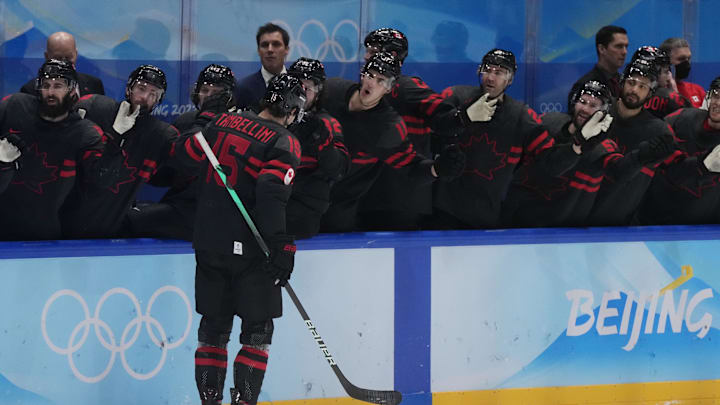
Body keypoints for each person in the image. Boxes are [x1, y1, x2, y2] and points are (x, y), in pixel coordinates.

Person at [173, 74, 304, 405]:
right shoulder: (284, 142)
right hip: (252, 251)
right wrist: (281, 245)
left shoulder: (223, 121)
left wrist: (205, 120)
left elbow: (184, 154)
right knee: (257, 331)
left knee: (214, 329)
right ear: (292, 110)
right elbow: (271, 193)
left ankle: (210, 400)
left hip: (209, 242)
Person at [318, 52, 465, 232]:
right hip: (300, 197)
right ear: (362, 74)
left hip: (337, 210)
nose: (372, 83)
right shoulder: (330, 91)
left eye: (381, 80)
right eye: (370, 75)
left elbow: (412, 167)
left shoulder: (388, 128)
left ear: (390, 88)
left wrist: (437, 168)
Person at [433, 48, 576, 229]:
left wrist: (578, 146)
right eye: (488, 70)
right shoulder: (455, 96)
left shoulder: (522, 116)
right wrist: (461, 118)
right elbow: (433, 127)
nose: (491, 77)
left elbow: (551, 163)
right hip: (443, 210)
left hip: (485, 217)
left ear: (510, 79)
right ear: (479, 71)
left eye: (499, 72)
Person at [356, 27, 471, 231]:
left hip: (400, 198)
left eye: (372, 50)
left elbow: (445, 119)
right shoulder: (365, 90)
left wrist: (463, 117)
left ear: (390, 55)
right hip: (374, 195)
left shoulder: (407, 87)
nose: (366, 56)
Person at [60, 64, 179, 238]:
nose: (145, 97)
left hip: (113, 228)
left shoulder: (162, 136)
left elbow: (171, 177)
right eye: (141, 88)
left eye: (153, 93)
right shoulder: (94, 108)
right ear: (129, 88)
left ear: (159, 100)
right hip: (67, 224)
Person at [0, 59, 109, 240]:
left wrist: (117, 136)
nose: (50, 92)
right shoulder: (14, 106)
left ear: (72, 89)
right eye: (46, 85)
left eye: (58, 86)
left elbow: (103, 181)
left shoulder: (85, 133)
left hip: (45, 234)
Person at [126, 64, 237, 240]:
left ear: (229, 97)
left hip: (217, 213)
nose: (209, 97)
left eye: (216, 93)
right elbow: (168, 173)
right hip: (183, 206)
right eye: (205, 90)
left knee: (133, 220)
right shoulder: (186, 121)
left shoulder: (239, 126)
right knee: (128, 217)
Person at [502, 81, 618, 227]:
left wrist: (645, 154)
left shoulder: (603, 147)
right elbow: (551, 166)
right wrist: (579, 141)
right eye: (582, 101)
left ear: (604, 112)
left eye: (593, 105)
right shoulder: (547, 122)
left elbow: (620, 171)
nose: (585, 109)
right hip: (518, 221)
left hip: (562, 232)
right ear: (573, 102)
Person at [586, 58, 682, 226]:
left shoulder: (659, 132)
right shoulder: (598, 112)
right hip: (577, 216)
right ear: (622, 83)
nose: (634, 90)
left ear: (650, 93)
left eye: (642, 86)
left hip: (621, 224)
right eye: (631, 82)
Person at [637, 76, 720, 225]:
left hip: (707, 231)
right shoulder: (680, 119)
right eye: (716, 95)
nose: (718, 103)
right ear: (708, 96)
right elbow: (655, 165)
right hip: (658, 223)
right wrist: (703, 166)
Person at [286, 57, 349, 238]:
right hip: (269, 205)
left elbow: (339, 170)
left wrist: (321, 139)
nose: (302, 92)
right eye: (298, 86)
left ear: (319, 92)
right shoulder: (274, 116)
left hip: (303, 213)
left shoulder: (327, 124)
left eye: (308, 87)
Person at [20, 31, 105, 96]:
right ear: (47, 56)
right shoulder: (30, 90)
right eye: (58, 58)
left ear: (76, 54)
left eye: (68, 57)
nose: (64, 63)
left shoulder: (94, 84)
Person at [567, 25, 628, 110]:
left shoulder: (625, 83)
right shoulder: (584, 85)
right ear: (602, 49)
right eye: (619, 46)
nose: (624, 52)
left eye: (626, 46)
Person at [234, 23, 290, 111]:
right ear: (258, 51)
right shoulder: (242, 87)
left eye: (276, 44)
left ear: (286, 50)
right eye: (264, 45)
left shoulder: (299, 85)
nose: (270, 50)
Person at [633, 46, 690, 118]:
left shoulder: (623, 91)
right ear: (654, 73)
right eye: (666, 72)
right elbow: (689, 117)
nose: (669, 77)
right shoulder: (670, 97)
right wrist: (675, 92)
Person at [660, 37, 705, 108]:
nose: (687, 63)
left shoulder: (698, 90)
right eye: (681, 59)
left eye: (689, 58)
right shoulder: (656, 93)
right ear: (666, 62)